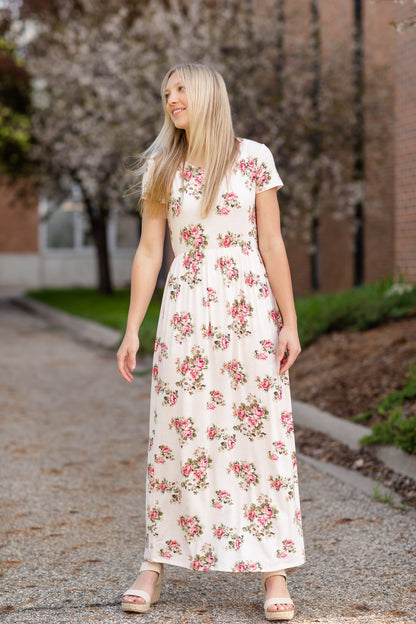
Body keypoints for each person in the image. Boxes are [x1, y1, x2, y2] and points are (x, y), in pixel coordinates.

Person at [117, 62, 305, 622]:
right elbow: (151, 252)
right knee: (179, 432)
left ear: (206, 95)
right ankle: (154, 562)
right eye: (166, 93)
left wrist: (290, 322)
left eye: (180, 90)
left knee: (261, 433)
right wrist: (132, 328)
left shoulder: (254, 157)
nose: (171, 99)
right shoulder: (161, 166)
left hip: (249, 312)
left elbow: (272, 243)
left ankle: (274, 570)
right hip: (187, 313)